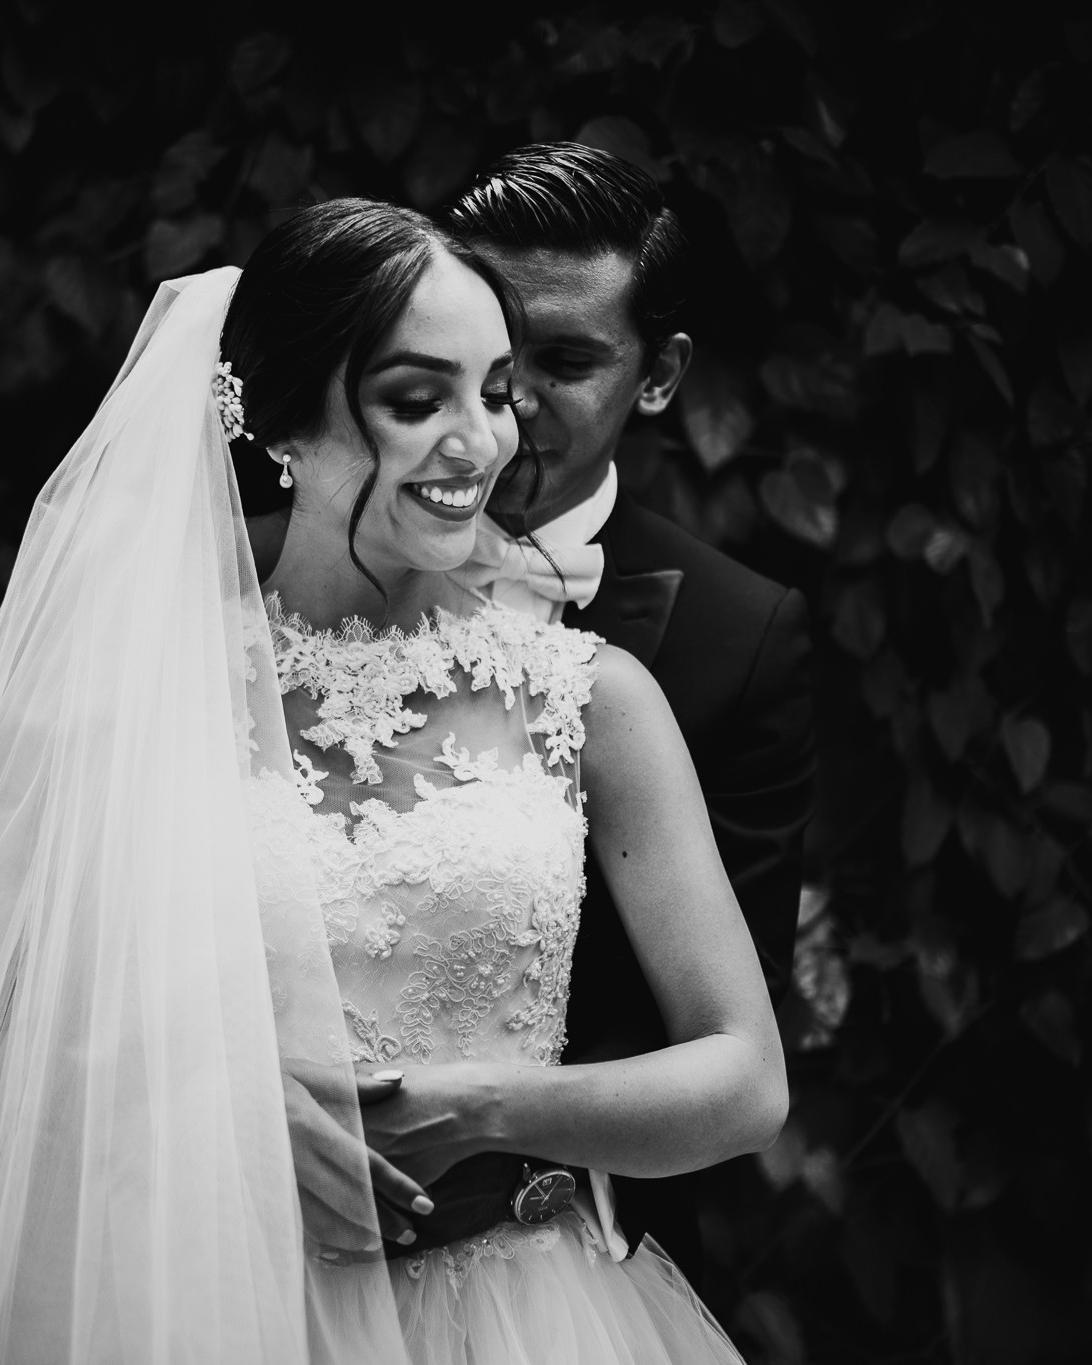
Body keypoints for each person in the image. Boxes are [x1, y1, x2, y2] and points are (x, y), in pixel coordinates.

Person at [0, 198, 784, 1365]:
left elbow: (743, 1082)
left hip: (514, 1317)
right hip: (194, 1309)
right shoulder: (142, 689)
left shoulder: (592, 700)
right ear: (284, 421)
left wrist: (480, 1107)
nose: (480, 443)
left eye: (495, 392)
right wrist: (230, 1111)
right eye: (418, 401)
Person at [440, 143, 815, 1287]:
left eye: (564, 361)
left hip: (556, 1255)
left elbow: (718, 1039)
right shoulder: (284, 579)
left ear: (657, 376)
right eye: (482, 341)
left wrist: (474, 1135)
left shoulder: (735, 640)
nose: (507, 399)